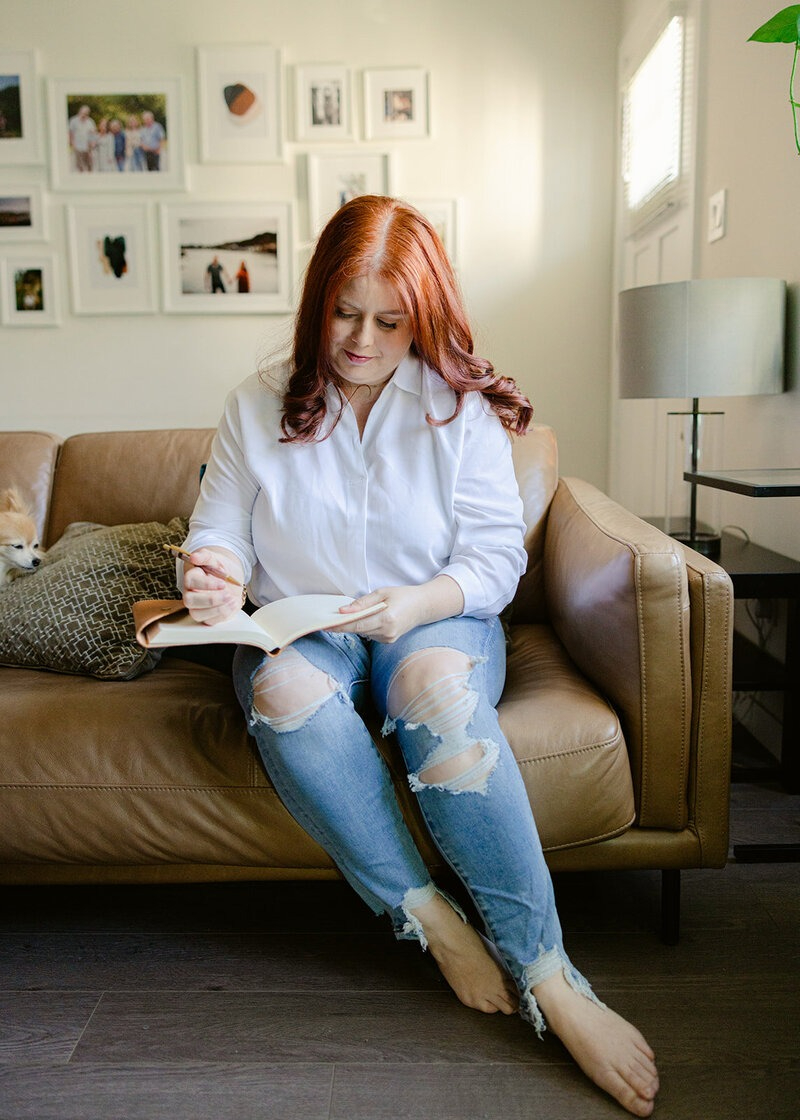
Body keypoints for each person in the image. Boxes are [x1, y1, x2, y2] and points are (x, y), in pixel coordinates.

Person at [179, 195, 660, 1118]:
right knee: (280, 690)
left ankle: (551, 978)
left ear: (422, 316)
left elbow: (491, 560)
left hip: (433, 617)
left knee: (438, 691)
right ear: (317, 301)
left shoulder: (460, 407)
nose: (361, 340)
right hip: (303, 623)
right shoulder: (255, 405)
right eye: (343, 313)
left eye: (389, 321)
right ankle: (430, 918)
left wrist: (417, 605)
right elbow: (221, 532)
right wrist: (212, 574)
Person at [68, 104, 96, 173]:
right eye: (83, 113)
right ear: (79, 112)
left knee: (90, 166)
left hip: (88, 147)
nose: (84, 115)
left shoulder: (90, 122)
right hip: (77, 146)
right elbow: (70, 133)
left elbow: (93, 134)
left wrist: (92, 144)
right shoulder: (73, 121)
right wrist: (72, 144)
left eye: (86, 113)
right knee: (80, 166)